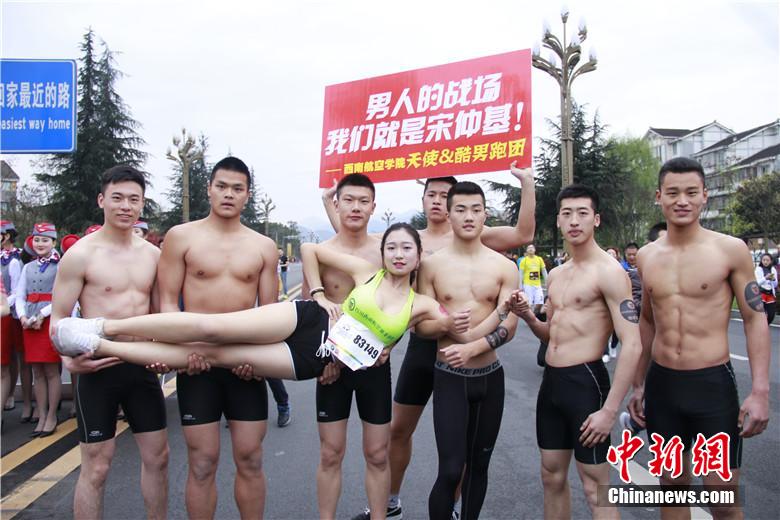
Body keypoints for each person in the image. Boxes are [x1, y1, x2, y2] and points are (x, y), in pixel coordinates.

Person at [329, 163, 535, 520]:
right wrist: (332, 204)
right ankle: (390, 502)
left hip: (472, 356)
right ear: (424, 200)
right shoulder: (416, 245)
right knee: (399, 430)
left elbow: (523, 232)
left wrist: (527, 183)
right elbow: (359, 241)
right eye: (433, 195)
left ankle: (453, 507)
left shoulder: (483, 240)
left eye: (445, 195)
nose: (439, 201)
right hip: (425, 348)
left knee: (465, 456)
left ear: (480, 213)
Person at [628, 157, 771, 520]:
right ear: (659, 196)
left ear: (705, 195)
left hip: (711, 386)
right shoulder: (646, 256)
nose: (682, 201)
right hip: (663, 386)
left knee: (723, 500)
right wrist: (639, 383)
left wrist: (760, 391)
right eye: (673, 193)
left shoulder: (730, 249)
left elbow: (754, 318)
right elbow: (647, 320)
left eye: (691, 192)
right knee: (672, 491)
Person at [148, 156, 279, 519]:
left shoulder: (263, 246)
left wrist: (258, 359)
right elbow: (167, 302)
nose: (228, 194)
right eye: (221, 186)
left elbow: (269, 313)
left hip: (244, 365)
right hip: (197, 363)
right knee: (202, 462)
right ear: (209, 189)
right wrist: (182, 348)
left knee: (250, 458)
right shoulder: (181, 237)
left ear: (247, 195)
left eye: (237, 189)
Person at [509, 184, 642, 519]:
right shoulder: (556, 274)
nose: (574, 221)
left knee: (595, 486)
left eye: (583, 213)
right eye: (567, 214)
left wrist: (609, 411)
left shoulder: (610, 273)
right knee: (551, 476)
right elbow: (550, 334)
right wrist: (528, 316)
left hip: (585, 383)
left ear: (596, 219)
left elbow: (633, 343)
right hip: (552, 384)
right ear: (558, 220)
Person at [50, 166, 168, 520]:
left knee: (158, 458)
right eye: (117, 198)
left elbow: (162, 316)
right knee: (97, 467)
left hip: (141, 366)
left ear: (142, 204)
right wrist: (69, 361)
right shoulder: (81, 255)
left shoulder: (153, 256)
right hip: (97, 368)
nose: (125, 206)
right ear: (102, 200)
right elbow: (58, 321)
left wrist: (165, 353)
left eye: (134, 199)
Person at [415, 181, 522, 520]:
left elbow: (510, 326)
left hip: (490, 378)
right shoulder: (431, 266)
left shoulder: (505, 267)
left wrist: (473, 346)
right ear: (448, 215)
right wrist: (446, 325)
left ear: (485, 214)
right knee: (450, 469)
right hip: (450, 377)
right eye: (460, 209)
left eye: (476, 209)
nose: (468, 216)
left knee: (479, 465)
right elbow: (420, 326)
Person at [16, 222, 63, 437]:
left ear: (54, 242)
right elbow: (20, 294)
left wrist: (41, 315)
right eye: (37, 239)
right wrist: (23, 316)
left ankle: (52, 415)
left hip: (48, 320)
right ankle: (41, 414)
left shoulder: (60, 265)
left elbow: (61, 296)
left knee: (51, 371)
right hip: (29, 323)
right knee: (36, 371)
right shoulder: (28, 267)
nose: (40, 243)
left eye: (45, 240)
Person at [1, 220, 34, 422]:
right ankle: (10, 394)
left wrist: (6, 304)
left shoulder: (15, 259)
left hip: (14, 315)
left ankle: (27, 402)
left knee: (22, 359)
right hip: (5, 315)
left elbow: (17, 290)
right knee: (7, 359)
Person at [518, 244, 547, 315]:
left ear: (535, 250)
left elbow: (544, 271)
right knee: (529, 304)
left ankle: (535, 314)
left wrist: (547, 282)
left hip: (537, 285)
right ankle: (530, 317)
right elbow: (520, 274)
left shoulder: (539, 259)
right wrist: (520, 285)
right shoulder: (524, 260)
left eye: (532, 248)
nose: (530, 249)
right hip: (528, 285)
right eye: (529, 248)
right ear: (526, 250)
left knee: (540, 302)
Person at [756, 252, 777, 324]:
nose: (765, 262)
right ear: (761, 260)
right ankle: (761, 327)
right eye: (764, 260)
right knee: (761, 315)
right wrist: (765, 278)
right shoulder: (758, 269)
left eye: (767, 260)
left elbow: (775, 285)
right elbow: (757, 283)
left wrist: (773, 280)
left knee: (771, 315)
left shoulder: (773, 269)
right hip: (761, 294)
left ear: (771, 261)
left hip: (770, 294)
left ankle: (764, 326)